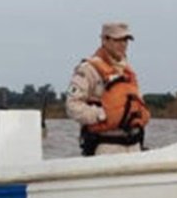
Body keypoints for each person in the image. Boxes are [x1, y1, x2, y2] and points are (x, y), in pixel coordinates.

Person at [65, 21, 151, 155]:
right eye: (118, 40)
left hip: (134, 145)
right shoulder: (88, 70)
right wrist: (102, 115)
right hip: (105, 146)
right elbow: (72, 106)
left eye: (126, 40)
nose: (123, 44)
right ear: (104, 40)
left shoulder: (127, 72)